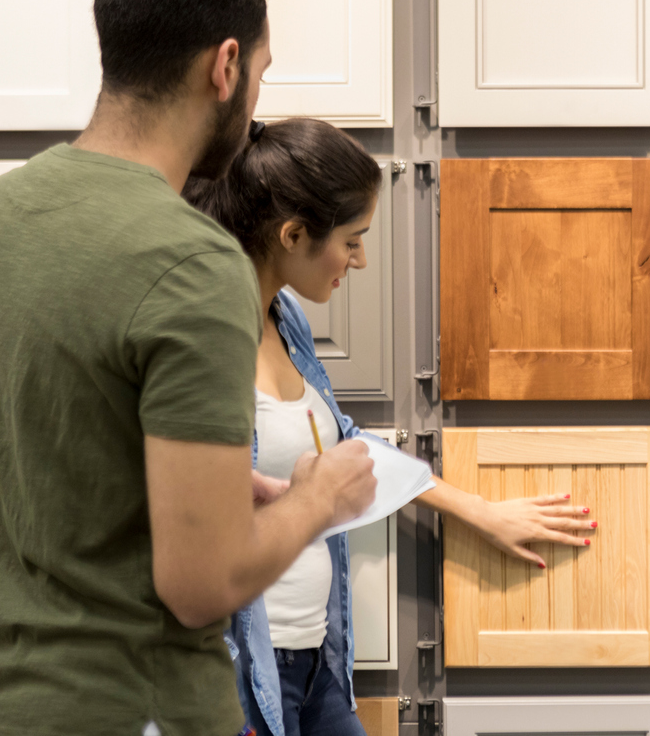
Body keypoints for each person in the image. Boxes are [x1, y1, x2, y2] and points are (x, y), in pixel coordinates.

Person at [0, 0, 376, 736]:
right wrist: (317, 501)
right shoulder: (194, 263)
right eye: (260, 71)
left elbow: (46, 463)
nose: (256, 95)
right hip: (138, 711)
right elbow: (203, 580)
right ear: (225, 65)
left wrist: (223, 491)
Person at [184, 118, 597, 736]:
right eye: (351, 241)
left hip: (317, 660)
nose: (361, 259)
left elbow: (344, 444)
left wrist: (480, 512)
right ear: (293, 234)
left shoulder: (285, 317)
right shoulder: (198, 339)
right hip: (242, 676)